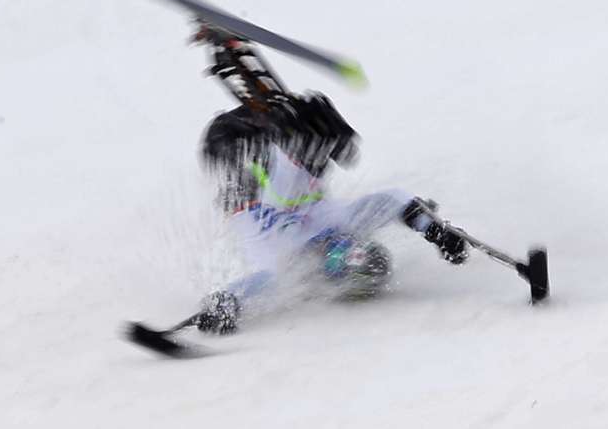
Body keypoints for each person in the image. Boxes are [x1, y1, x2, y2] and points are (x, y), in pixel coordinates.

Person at [192, 24, 468, 334]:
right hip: (275, 151)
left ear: (331, 270)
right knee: (314, 136)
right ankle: (241, 63)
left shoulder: (287, 263)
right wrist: (436, 231)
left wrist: (224, 304)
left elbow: (257, 285)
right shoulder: (342, 224)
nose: (340, 243)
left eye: (340, 254)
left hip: (234, 163)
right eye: (351, 244)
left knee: (296, 151)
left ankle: (234, 63)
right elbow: (391, 202)